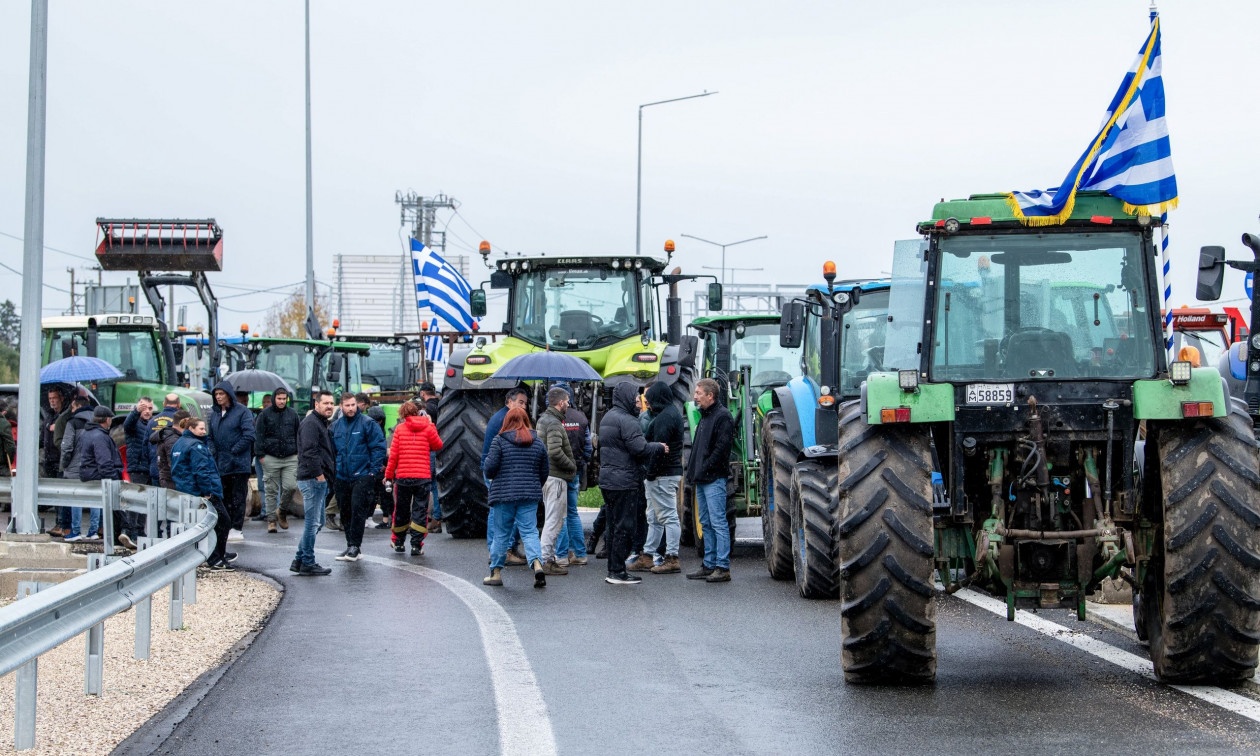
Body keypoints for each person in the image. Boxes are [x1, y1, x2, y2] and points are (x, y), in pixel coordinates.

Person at [598, 382, 666, 585]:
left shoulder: (608, 417)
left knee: (612, 524)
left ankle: (613, 568)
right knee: (624, 527)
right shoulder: (627, 420)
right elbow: (639, 448)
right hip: (624, 481)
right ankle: (618, 571)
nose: (639, 402)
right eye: (636, 398)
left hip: (608, 480)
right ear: (626, 398)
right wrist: (659, 447)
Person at [481, 407, 549, 588]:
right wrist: (533, 486)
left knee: (501, 534)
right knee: (530, 532)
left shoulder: (499, 441)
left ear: (507, 421)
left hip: (504, 496)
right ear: (526, 420)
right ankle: (537, 565)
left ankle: (495, 573)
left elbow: (489, 469)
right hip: (529, 496)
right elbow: (544, 471)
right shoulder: (538, 443)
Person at [685, 378, 735, 583]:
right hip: (702, 479)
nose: (695, 396)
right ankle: (709, 563)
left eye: (698, 393)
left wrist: (704, 469)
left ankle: (722, 567)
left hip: (713, 479)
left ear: (710, 396)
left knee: (718, 522)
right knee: (706, 522)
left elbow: (721, 450)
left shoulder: (723, 417)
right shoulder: (705, 417)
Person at [170, 418, 234, 571]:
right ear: (191, 428)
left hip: (186, 491)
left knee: (204, 525)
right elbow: (201, 471)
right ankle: (215, 558)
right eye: (201, 429)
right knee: (222, 522)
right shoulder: (196, 446)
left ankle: (217, 554)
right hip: (202, 492)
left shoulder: (179, 443)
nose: (204, 431)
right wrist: (207, 492)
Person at [330, 392, 387, 562]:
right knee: (345, 511)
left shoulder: (367, 424)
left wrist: (372, 472)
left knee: (357, 511)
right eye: (347, 405)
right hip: (342, 475)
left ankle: (355, 545)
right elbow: (332, 451)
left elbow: (378, 447)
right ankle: (351, 546)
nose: (350, 408)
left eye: (353, 405)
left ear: (357, 405)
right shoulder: (336, 426)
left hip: (362, 475)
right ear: (341, 407)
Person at [384, 400, 443, 555]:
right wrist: (431, 425)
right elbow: (437, 445)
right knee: (420, 511)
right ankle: (416, 545)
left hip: (403, 478)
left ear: (402, 414)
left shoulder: (399, 429)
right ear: (418, 412)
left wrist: (388, 476)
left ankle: (398, 543)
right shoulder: (427, 428)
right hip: (422, 478)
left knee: (401, 510)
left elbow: (393, 456)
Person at [640, 381, 684, 574]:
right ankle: (648, 555)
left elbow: (659, 449)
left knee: (667, 516)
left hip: (662, 475)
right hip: (665, 474)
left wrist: (650, 474)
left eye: (649, 399)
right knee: (655, 517)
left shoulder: (665, 418)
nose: (647, 403)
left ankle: (672, 557)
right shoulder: (670, 413)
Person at [481, 387, 530, 564]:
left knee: (499, 511)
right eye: (520, 402)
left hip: (496, 468)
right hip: (498, 470)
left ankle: (502, 549)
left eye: (525, 403)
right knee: (499, 512)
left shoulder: (501, 416)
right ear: (509, 401)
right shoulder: (505, 420)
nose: (523, 407)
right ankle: (501, 551)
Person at [207, 380, 255, 543]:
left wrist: (233, 450)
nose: (219, 397)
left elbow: (249, 435)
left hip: (238, 463)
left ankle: (236, 527)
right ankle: (226, 526)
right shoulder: (213, 414)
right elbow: (210, 437)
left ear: (228, 394)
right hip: (220, 463)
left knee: (238, 497)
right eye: (216, 394)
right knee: (224, 497)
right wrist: (214, 452)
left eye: (221, 394)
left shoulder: (242, 412)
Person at [293, 391, 336, 575]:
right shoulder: (311, 424)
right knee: (313, 523)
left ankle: (299, 559)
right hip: (312, 479)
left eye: (332, 403)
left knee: (318, 522)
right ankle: (307, 562)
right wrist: (319, 475)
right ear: (316, 404)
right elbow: (309, 452)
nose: (329, 406)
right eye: (325, 403)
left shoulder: (320, 423)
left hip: (316, 479)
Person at [536, 386, 576, 576]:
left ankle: (546, 558)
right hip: (556, 478)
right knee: (554, 521)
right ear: (560, 403)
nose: (568, 404)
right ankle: (545, 560)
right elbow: (554, 451)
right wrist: (571, 466)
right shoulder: (553, 423)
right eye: (567, 401)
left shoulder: (544, 420)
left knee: (551, 519)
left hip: (548, 477)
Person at [553, 382, 591, 566]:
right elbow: (589, 448)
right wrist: (580, 462)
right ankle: (580, 553)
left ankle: (561, 555)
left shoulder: (553, 419)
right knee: (572, 512)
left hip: (557, 472)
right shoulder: (581, 418)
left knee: (560, 513)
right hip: (574, 470)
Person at [254, 387, 300, 534]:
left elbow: (298, 433)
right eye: (279, 398)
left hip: (290, 456)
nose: (281, 401)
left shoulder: (292, 414)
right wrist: (261, 455)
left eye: (284, 399)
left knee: (291, 486)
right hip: (270, 457)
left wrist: (298, 452)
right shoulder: (264, 415)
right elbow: (259, 435)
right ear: (274, 398)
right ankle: (271, 520)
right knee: (271, 490)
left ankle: (282, 510)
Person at [78, 405, 125, 543]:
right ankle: (117, 538)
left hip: (90, 475)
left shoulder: (87, 433)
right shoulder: (100, 436)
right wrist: (115, 478)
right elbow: (104, 463)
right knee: (116, 511)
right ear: (107, 419)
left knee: (111, 512)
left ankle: (114, 538)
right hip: (102, 477)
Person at [60, 395, 101, 542]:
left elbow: (67, 447)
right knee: (95, 498)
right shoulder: (98, 421)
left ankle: (76, 531)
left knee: (75, 497)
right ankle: (93, 531)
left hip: (76, 467)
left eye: (72, 407)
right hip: (95, 467)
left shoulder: (73, 422)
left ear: (77, 406)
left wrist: (64, 464)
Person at [120, 396, 154, 548]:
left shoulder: (151, 425)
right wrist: (135, 412)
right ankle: (131, 531)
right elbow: (127, 424)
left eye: (150, 408)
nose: (147, 411)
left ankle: (139, 532)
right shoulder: (135, 423)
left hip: (149, 468)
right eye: (144, 408)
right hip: (137, 468)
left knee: (145, 503)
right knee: (135, 501)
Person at [146, 394, 182, 484]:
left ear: (164, 404)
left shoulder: (151, 421)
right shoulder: (180, 421)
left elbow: (145, 448)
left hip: (156, 469)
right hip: (172, 473)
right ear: (179, 404)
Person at [152, 411, 192, 489]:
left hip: (169, 480)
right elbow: (175, 464)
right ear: (185, 421)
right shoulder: (173, 439)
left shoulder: (170, 435)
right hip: (172, 482)